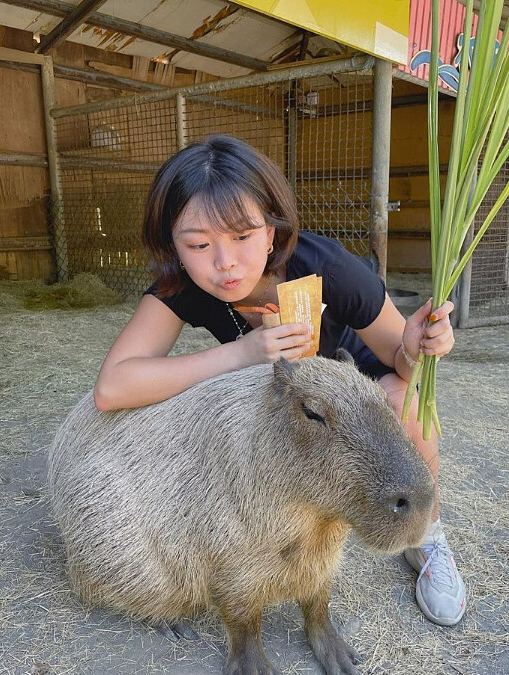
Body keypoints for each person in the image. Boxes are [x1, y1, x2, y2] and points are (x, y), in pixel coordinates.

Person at [93, 135, 465, 626]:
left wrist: (420, 351)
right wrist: (243, 353)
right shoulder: (181, 286)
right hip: (277, 394)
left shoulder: (331, 269)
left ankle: (429, 536)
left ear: (272, 232)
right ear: (174, 247)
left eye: (243, 236)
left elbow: (400, 360)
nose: (224, 262)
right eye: (200, 244)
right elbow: (112, 388)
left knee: (409, 406)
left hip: (352, 385)